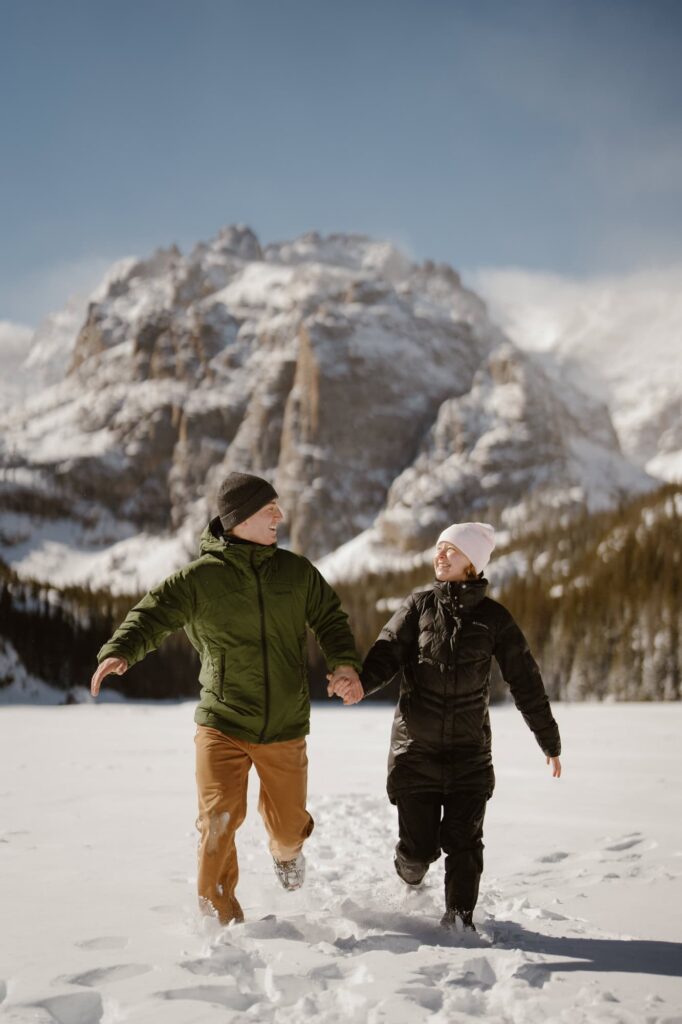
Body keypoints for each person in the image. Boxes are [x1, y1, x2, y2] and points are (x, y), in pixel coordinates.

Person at [91, 472, 362, 925]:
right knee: (217, 821)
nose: (280, 515)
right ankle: (219, 924)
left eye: (277, 507)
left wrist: (345, 665)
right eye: (268, 508)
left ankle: (287, 852)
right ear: (237, 519)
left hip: (284, 726)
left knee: (289, 826)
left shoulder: (297, 573)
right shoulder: (200, 580)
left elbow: (331, 619)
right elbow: (152, 612)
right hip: (221, 722)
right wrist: (120, 650)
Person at [328, 521, 561, 932]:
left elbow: (525, 680)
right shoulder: (417, 607)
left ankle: (459, 922)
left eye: (451, 550)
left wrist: (548, 739)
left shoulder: (495, 619)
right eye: (438, 548)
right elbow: (386, 653)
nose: (441, 555)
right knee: (418, 849)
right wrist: (360, 683)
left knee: (464, 842)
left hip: (469, 756)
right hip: (415, 752)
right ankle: (409, 873)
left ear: (473, 562)